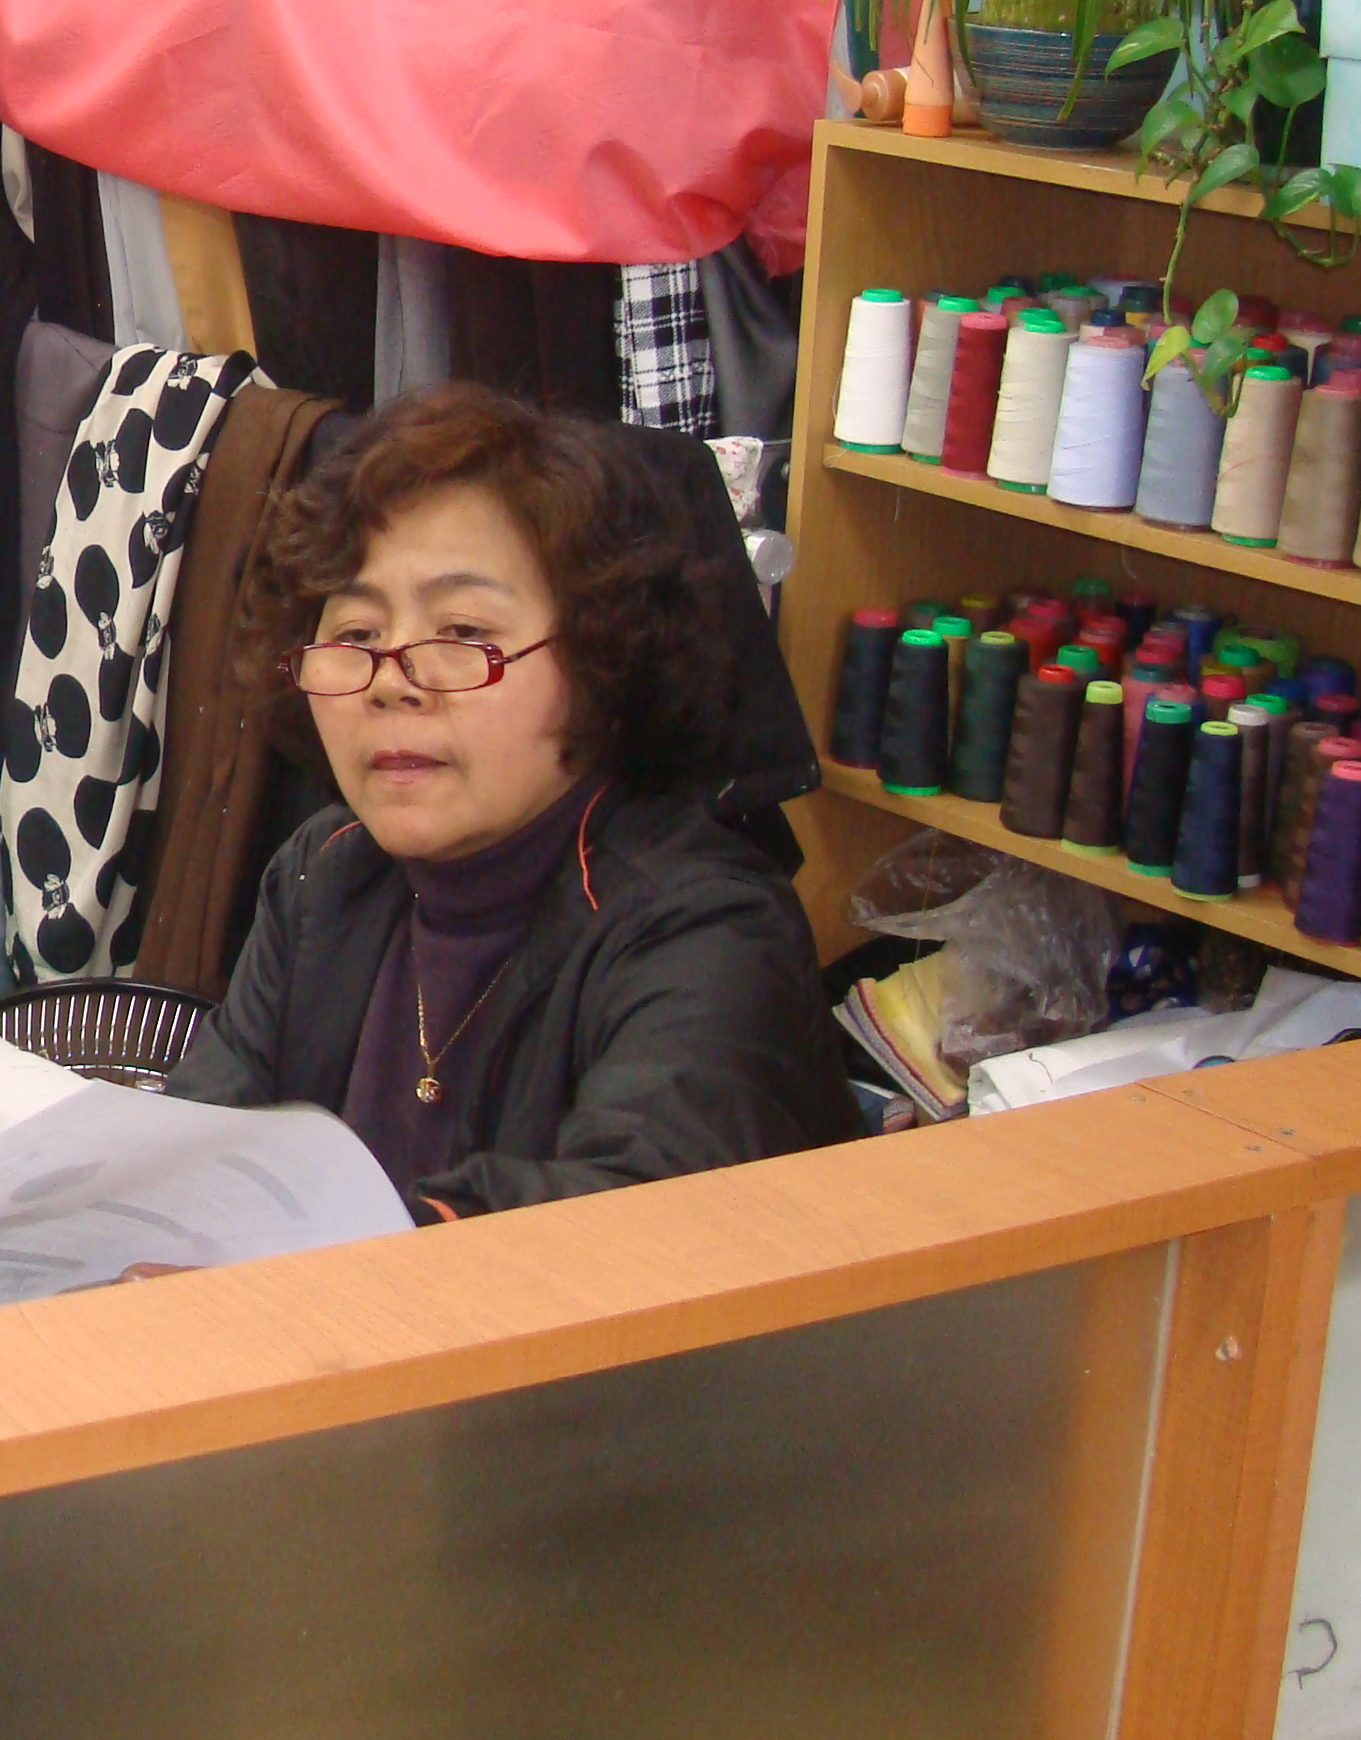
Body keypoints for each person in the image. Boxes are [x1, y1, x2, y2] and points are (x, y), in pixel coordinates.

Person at [165, 383, 858, 1216]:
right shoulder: (326, 872)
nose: (392, 681)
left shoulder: (709, 932)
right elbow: (199, 1150)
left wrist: (283, 1252)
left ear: (601, 661)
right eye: (355, 635)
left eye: (464, 633)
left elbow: (621, 1225)